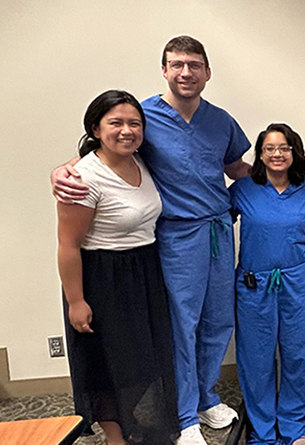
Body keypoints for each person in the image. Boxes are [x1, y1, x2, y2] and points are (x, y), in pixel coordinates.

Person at [51, 36, 251, 445]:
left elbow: (236, 167)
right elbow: (105, 146)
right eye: (176, 64)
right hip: (177, 236)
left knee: (218, 320)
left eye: (194, 65)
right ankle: (183, 413)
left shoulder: (221, 120)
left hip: (217, 228)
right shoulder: (146, 116)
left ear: (207, 72)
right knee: (181, 324)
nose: (185, 72)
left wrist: (299, 177)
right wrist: (63, 168)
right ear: (164, 70)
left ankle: (206, 396)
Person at [56, 90, 179, 444]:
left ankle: (133, 422)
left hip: (144, 269)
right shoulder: (81, 178)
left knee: (144, 357)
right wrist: (76, 301)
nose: (127, 131)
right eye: (116, 123)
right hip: (102, 276)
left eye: (134, 123)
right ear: (95, 128)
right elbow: (67, 245)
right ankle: (115, 434)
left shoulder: (140, 159)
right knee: (108, 360)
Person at [230, 123, 305, 445]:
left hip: (297, 283)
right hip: (254, 285)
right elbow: (216, 221)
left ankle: (295, 427)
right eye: (269, 148)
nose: (277, 154)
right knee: (256, 359)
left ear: (294, 152)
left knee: (297, 357)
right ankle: (263, 430)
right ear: (260, 154)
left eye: (283, 147)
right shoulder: (243, 188)